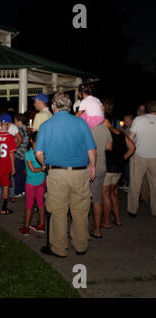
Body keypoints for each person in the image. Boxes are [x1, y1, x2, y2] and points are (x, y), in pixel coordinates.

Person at [35, 92, 97, 258]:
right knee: (80, 211)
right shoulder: (81, 124)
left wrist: (43, 164)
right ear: (70, 107)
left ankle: (59, 248)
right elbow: (91, 148)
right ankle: (81, 245)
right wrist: (92, 166)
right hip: (80, 172)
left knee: (58, 211)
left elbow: (39, 152)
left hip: (57, 173)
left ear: (54, 106)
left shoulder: (46, 125)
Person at [102, 115, 135, 228]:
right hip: (118, 169)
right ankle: (118, 220)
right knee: (113, 193)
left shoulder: (104, 133)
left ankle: (106, 222)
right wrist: (123, 158)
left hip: (107, 168)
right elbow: (132, 147)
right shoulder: (121, 133)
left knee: (105, 194)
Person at [127, 100, 156, 217]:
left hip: (139, 155)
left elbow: (131, 138)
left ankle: (132, 210)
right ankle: (155, 210)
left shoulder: (138, 120)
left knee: (135, 183)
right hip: (155, 157)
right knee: (154, 185)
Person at [89, 117, 113, 239]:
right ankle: (97, 229)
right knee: (97, 198)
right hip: (101, 166)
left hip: (87, 166)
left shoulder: (86, 128)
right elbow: (109, 148)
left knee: (82, 199)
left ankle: (80, 229)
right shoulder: (105, 129)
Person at [19, 131, 46, 236]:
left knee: (29, 205)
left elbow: (33, 169)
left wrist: (40, 169)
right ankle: (41, 225)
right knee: (40, 204)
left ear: (31, 140)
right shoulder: (44, 153)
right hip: (41, 181)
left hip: (31, 183)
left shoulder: (28, 154)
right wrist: (43, 169)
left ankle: (26, 227)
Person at [0, 114, 17, 215]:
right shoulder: (10, 137)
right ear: (9, 124)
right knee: (5, 186)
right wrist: (13, 166)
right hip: (6, 164)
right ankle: (3, 208)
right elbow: (11, 153)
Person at [13, 114, 29, 200]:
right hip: (24, 154)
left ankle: (18, 191)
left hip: (18, 154)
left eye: (15, 121)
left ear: (19, 121)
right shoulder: (27, 129)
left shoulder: (19, 130)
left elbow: (19, 140)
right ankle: (23, 190)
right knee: (23, 174)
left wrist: (13, 147)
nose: (14, 123)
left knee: (17, 174)